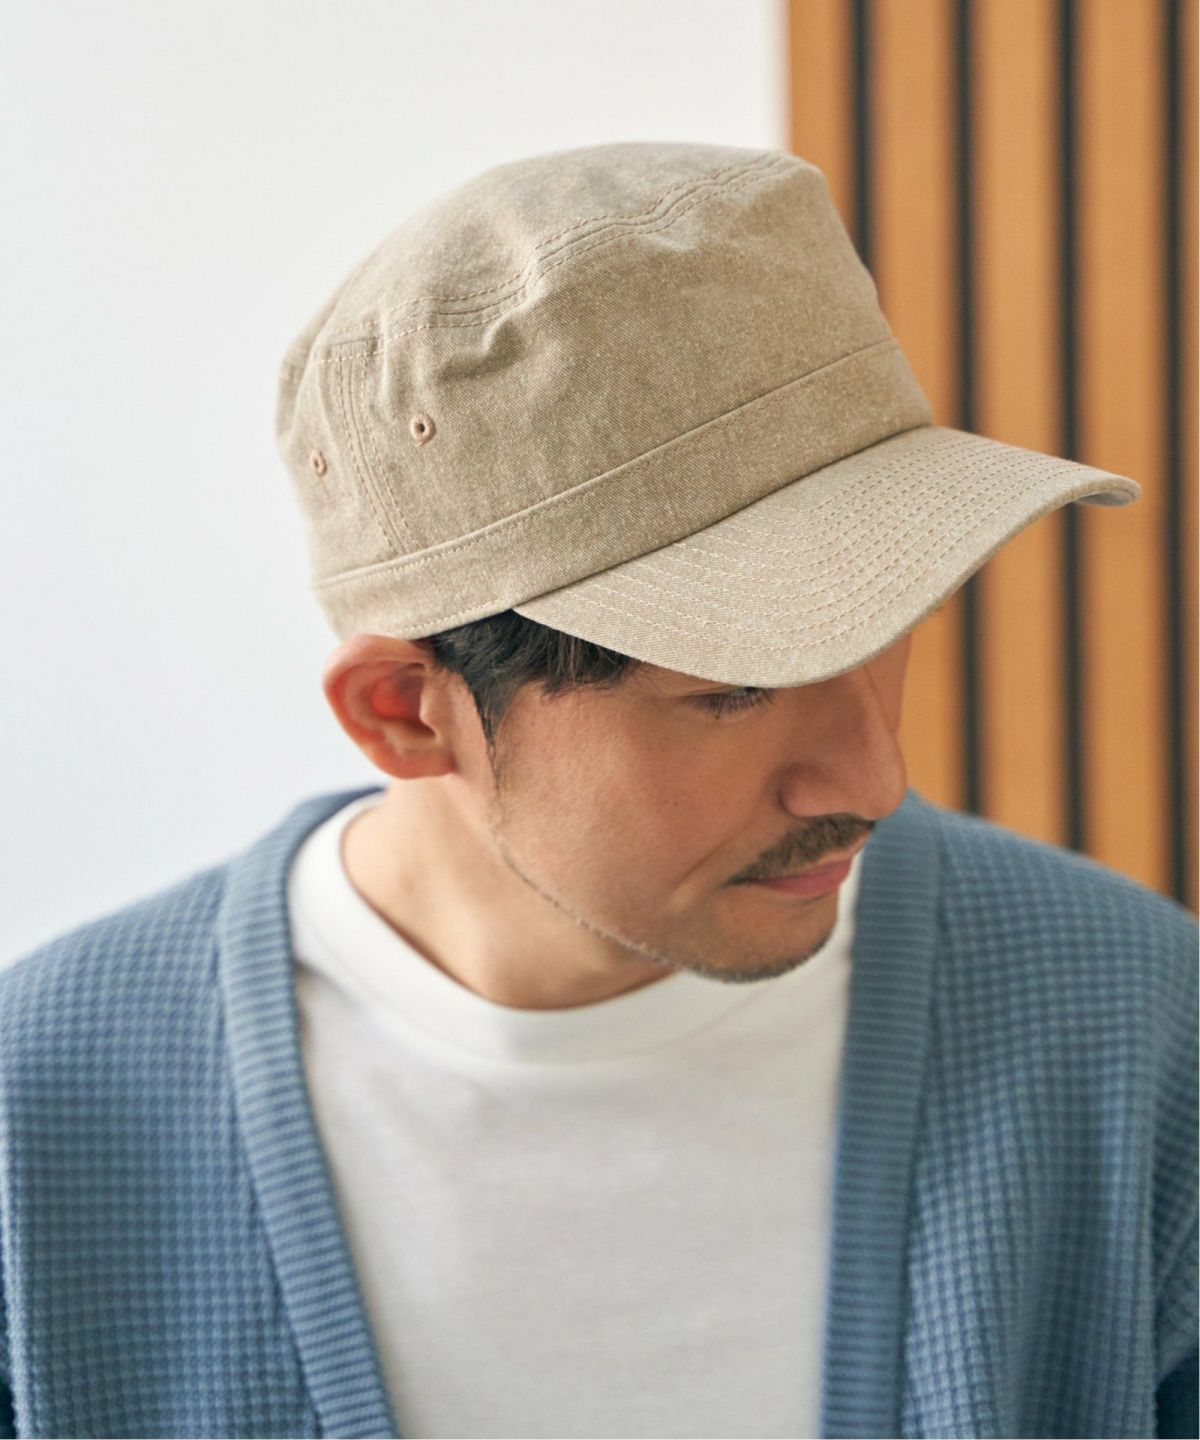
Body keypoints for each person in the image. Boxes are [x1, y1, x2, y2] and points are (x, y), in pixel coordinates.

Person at [1, 142, 1195, 1440]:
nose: (874, 776)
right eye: (737, 690)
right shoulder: (47, 1123)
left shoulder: (1130, 1028)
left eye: (887, 625)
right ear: (405, 710)